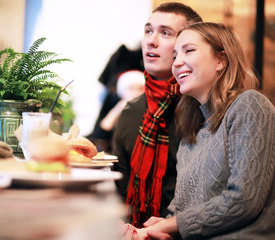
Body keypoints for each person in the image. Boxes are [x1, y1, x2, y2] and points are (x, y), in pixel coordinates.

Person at [128, 22, 275, 240]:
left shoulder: (250, 105)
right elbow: (183, 209)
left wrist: (172, 224)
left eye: (189, 51)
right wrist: (151, 229)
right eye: (175, 55)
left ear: (220, 60)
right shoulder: (191, 128)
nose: (177, 63)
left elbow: (243, 201)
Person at [112, 2, 202, 228]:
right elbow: (121, 191)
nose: (151, 41)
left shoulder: (201, 109)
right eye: (148, 31)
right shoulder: (131, 112)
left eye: (165, 33)